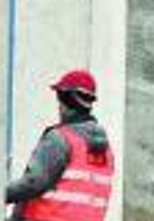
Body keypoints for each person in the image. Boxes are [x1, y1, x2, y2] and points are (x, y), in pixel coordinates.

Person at [6, 68, 115, 221]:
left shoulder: (60, 139)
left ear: (66, 101)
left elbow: (33, 183)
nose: (58, 106)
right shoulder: (106, 151)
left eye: (59, 99)